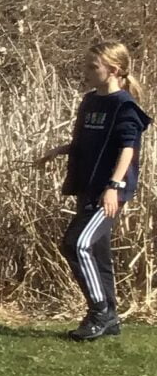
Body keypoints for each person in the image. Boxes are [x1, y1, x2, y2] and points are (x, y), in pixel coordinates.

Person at [36, 39, 147, 341]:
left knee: (77, 244)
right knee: (98, 253)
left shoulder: (125, 106)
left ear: (112, 70)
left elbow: (127, 150)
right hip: (87, 188)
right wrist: (58, 150)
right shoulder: (90, 101)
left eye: (92, 66)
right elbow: (88, 143)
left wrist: (113, 187)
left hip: (108, 194)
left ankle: (99, 312)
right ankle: (110, 318)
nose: (86, 71)